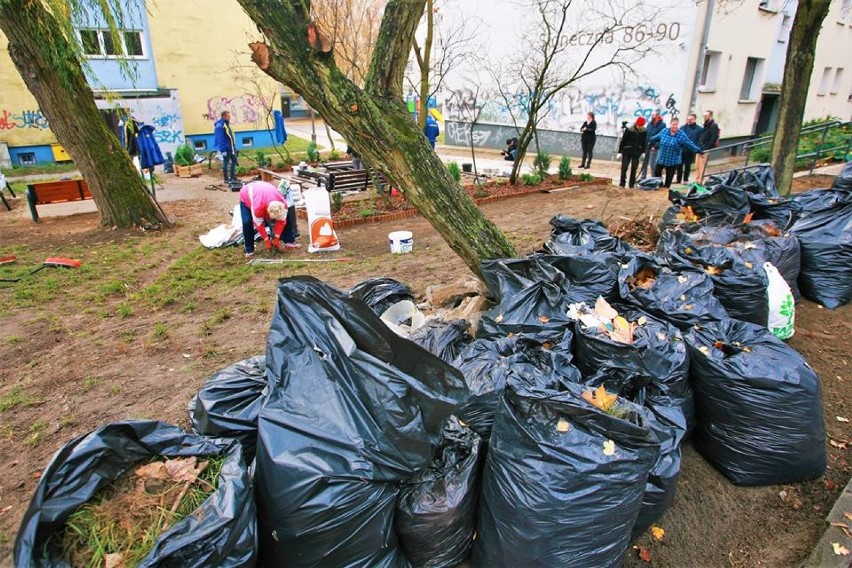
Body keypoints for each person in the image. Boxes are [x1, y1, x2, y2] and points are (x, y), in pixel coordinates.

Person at [239, 181, 296, 260]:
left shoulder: (283, 204)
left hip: (266, 191)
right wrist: (266, 240)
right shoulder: (257, 207)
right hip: (247, 194)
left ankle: (288, 241)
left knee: (287, 217)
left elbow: (282, 222)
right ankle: (249, 250)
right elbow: (259, 225)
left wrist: (276, 238)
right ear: (268, 212)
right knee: (247, 222)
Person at [649, 118, 703, 188]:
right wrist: (651, 142)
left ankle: (665, 189)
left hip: (673, 160)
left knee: (669, 178)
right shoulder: (664, 131)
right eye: (673, 124)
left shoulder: (681, 134)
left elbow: (689, 143)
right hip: (662, 158)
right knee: (657, 172)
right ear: (670, 124)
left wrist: (698, 150)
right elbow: (655, 138)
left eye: (676, 124)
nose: (675, 126)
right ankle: (660, 185)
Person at [618, 116, 647, 189]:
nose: (640, 127)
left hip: (637, 152)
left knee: (634, 168)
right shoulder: (629, 130)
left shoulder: (644, 131)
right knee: (624, 168)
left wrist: (643, 151)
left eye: (641, 126)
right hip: (627, 151)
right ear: (636, 124)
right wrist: (620, 152)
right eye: (639, 125)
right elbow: (623, 141)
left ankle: (631, 184)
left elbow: (644, 142)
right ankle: (622, 183)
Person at [677, 113, 703, 183]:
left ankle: (685, 179)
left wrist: (696, 148)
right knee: (679, 165)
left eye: (691, 119)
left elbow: (699, 140)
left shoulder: (699, 129)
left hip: (690, 150)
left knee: (687, 166)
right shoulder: (682, 128)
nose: (689, 121)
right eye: (688, 119)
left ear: (694, 120)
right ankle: (678, 179)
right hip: (682, 149)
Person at [640, 110, 666, 179]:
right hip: (647, 146)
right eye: (651, 115)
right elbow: (647, 135)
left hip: (655, 148)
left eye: (653, 115)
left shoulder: (662, 125)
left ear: (658, 116)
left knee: (652, 164)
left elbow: (662, 137)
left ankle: (653, 178)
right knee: (644, 163)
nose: (652, 117)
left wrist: (655, 146)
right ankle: (643, 176)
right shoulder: (649, 124)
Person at [695, 110, 720, 181]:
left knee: (702, 167)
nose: (704, 117)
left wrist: (706, 148)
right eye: (704, 116)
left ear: (710, 116)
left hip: (705, 149)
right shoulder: (705, 125)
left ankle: (702, 181)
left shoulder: (713, 125)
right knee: (697, 166)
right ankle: (697, 181)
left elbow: (713, 138)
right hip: (699, 147)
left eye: (706, 116)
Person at [214, 111, 237, 182]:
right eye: (228, 116)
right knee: (226, 162)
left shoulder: (226, 124)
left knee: (234, 160)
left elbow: (230, 135)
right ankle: (226, 179)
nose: (229, 117)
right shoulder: (220, 125)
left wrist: (233, 146)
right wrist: (223, 149)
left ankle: (233, 177)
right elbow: (219, 138)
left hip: (231, 147)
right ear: (224, 116)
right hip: (225, 147)